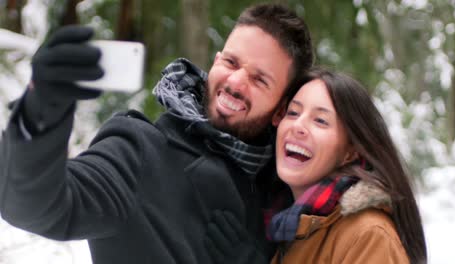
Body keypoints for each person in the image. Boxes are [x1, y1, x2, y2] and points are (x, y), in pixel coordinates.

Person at [0, 3, 314, 264]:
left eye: (260, 80)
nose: (235, 82)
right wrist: (39, 113)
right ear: (216, 61)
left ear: (279, 110)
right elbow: (35, 206)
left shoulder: (290, 189)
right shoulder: (140, 150)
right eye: (231, 62)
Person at [205, 67, 427, 264]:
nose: (298, 126)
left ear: (350, 152)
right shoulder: (287, 228)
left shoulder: (368, 236)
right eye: (293, 113)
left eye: (320, 120)